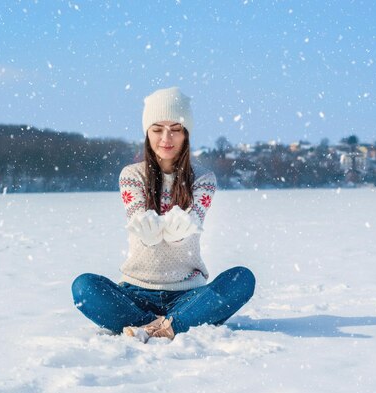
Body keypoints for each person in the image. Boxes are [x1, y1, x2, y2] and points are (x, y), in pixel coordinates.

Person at [72, 87, 255, 343]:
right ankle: (171, 324)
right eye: (157, 129)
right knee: (84, 287)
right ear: (147, 133)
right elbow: (137, 213)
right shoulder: (132, 175)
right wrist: (147, 234)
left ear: (186, 134)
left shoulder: (203, 179)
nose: (166, 138)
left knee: (241, 279)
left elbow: (196, 218)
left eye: (175, 129)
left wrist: (180, 235)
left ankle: (155, 324)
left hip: (188, 293)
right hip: (135, 291)